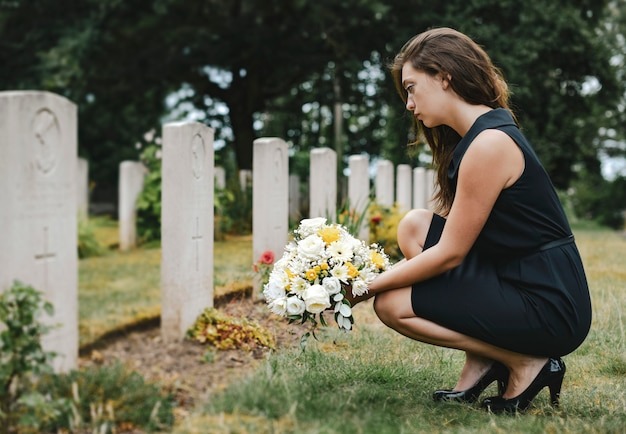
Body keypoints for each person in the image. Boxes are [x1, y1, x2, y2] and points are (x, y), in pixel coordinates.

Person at [348, 27, 592, 414]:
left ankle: (525, 362)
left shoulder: (489, 144)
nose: (409, 104)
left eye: (412, 87)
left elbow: (449, 254)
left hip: (549, 303)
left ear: (445, 76)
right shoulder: (476, 138)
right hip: (514, 277)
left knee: (390, 303)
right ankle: (484, 360)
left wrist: (364, 287)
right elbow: (447, 240)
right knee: (414, 225)